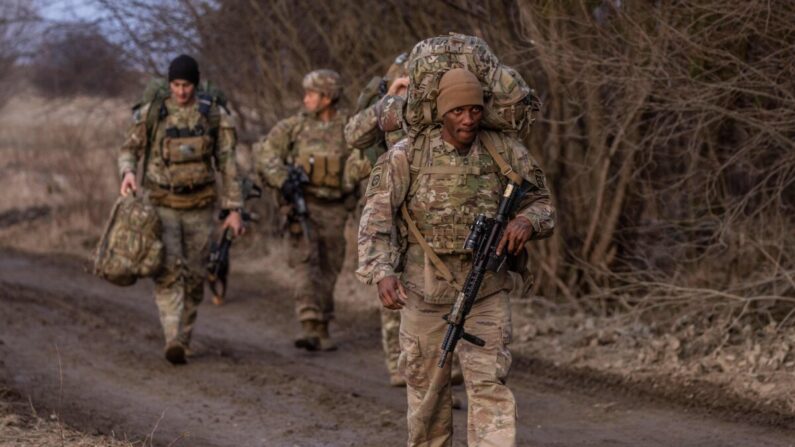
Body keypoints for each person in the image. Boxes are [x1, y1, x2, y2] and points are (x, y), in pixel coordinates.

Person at [357, 68, 555, 446]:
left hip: (486, 291)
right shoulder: (407, 155)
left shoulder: (504, 152)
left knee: (489, 388)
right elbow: (375, 221)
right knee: (427, 398)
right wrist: (382, 272)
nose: (467, 120)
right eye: (457, 111)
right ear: (441, 111)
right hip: (423, 292)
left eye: (475, 111)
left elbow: (543, 204)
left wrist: (528, 221)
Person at [118, 54, 244, 365]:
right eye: (175, 84)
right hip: (162, 204)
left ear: (195, 84)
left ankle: (184, 335)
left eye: (186, 84)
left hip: (200, 206)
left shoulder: (212, 115)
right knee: (168, 271)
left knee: (196, 276)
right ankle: (172, 336)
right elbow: (129, 148)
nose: (181, 91)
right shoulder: (154, 113)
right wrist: (128, 172)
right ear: (169, 83)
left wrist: (234, 209)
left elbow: (228, 165)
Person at [255, 69, 350, 351]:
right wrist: (282, 180)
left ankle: (323, 322)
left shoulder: (348, 128)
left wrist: (355, 199)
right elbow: (266, 155)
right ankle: (309, 321)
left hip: (335, 209)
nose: (305, 98)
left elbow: (361, 165)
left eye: (312, 93)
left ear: (328, 97)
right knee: (304, 263)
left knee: (330, 266)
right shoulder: (293, 128)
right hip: (303, 205)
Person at [344, 54, 410, 385]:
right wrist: (390, 99)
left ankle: (433, 369)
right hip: (390, 208)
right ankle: (400, 365)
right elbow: (353, 135)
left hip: (432, 211)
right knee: (392, 285)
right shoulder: (388, 103)